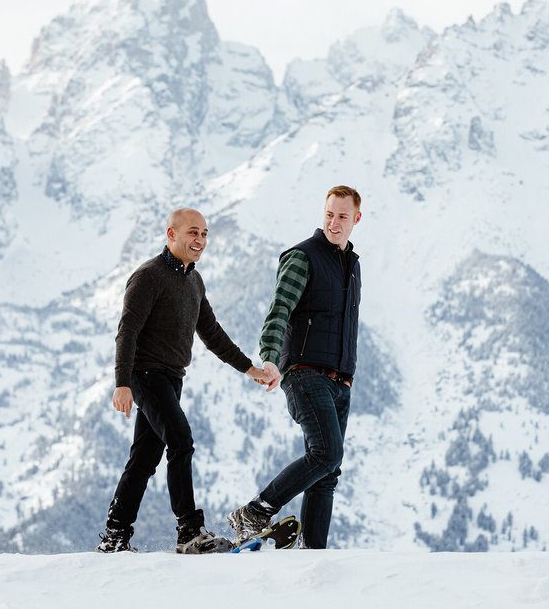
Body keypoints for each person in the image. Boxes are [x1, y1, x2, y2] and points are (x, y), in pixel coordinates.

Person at [97, 208, 273, 554]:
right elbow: (127, 332)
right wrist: (122, 383)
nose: (200, 240)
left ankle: (115, 536)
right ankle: (190, 532)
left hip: (172, 379)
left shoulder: (194, 281)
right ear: (171, 234)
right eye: (193, 233)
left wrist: (249, 368)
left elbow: (212, 333)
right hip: (145, 374)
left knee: (145, 459)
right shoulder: (148, 277)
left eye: (205, 234)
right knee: (181, 440)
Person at [229, 185, 363, 549]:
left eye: (342, 217)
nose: (334, 223)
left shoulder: (352, 265)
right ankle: (256, 511)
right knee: (326, 453)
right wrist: (270, 358)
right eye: (329, 215)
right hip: (304, 372)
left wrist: (348, 378)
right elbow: (279, 311)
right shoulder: (304, 257)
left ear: (356, 219)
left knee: (327, 473)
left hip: (339, 380)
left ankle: (313, 552)